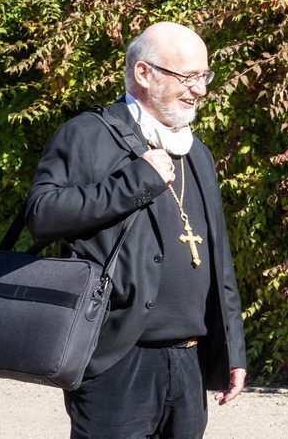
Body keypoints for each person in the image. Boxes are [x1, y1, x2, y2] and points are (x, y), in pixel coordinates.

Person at [25, 22, 247, 438]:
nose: (199, 89)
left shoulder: (196, 151)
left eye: (204, 77)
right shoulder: (86, 135)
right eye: (188, 77)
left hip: (189, 361)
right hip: (115, 359)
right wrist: (132, 183)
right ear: (144, 74)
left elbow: (219, 258)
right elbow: (41, 213)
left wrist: (232, 347)